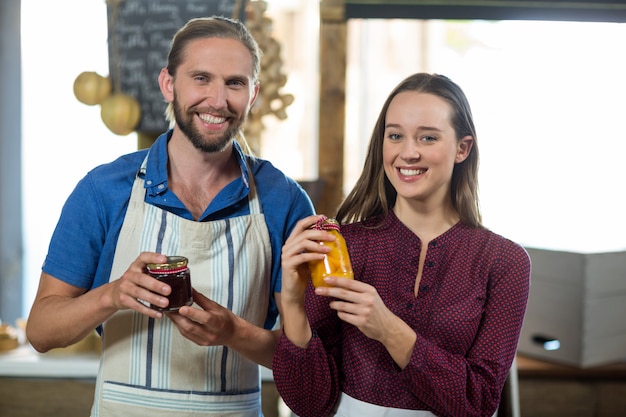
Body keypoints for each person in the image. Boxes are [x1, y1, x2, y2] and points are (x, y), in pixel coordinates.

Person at [26, 16, 314, 417]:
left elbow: (307, 362)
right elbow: (40, 331)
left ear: (253, 95)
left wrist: (234, 333)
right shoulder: (104, 190)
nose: (217, 99)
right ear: (168, 84)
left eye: (234, 83)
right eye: (201, 78)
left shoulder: (283, 200)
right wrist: (112, 295)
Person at [273, 73, 531, 417]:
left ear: (462, 148)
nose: (408, 153)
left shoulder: (505, 262)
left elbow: (480, 402)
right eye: (395, 136)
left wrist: (391, 330)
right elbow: (308, 402)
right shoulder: (342, 246)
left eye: (427, 137)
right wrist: (291, 302)